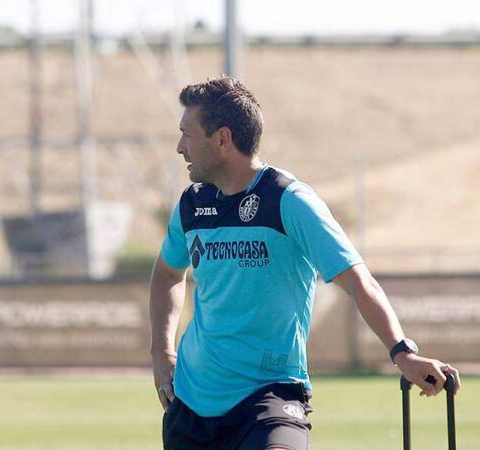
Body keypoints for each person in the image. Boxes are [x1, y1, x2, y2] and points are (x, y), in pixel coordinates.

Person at [149, 76, 461, 450]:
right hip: (191, 407)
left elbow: (358, 281)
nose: (180, 147)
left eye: (187, 134)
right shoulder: (192, 204)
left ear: (222, 139)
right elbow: (167, 273)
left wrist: (403, 353)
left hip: (269, 397)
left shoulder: (289, 201)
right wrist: (162, 353)